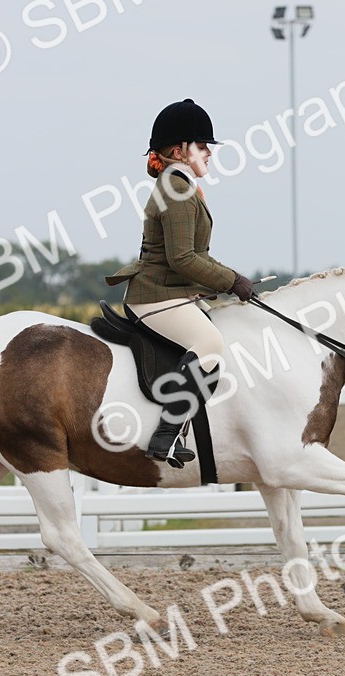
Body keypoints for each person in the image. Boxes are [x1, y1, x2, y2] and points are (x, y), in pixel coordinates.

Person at [105, 99, 256, 468]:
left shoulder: (180, 187)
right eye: (202, 146)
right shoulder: (176, 191)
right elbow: (183, 259)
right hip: (154, 297)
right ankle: (165, 436)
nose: (209, 153)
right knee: (209, 342)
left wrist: (228, 280)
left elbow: (194, 256)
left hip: (172, 293)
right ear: (179, 151)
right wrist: (232, 280)